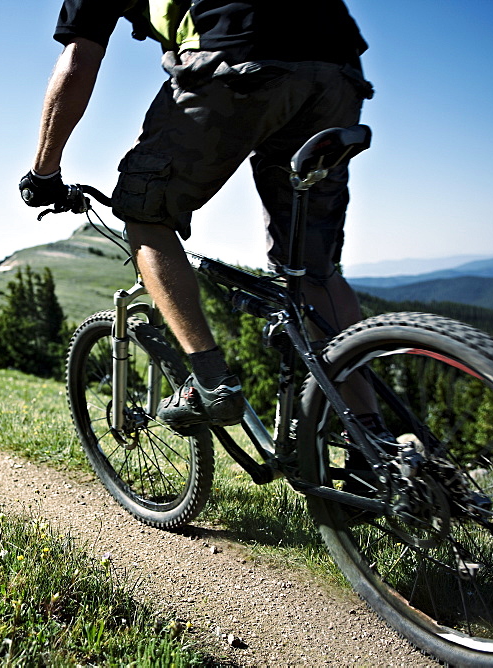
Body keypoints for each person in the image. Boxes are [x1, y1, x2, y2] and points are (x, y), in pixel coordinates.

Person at [19, 1, 376, 434]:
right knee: (312, 268)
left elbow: (78, 59)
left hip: (239, 53)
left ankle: (210, 384)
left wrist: (44, 172)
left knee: (144, 211)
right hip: (340, 66)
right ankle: (369, 442)